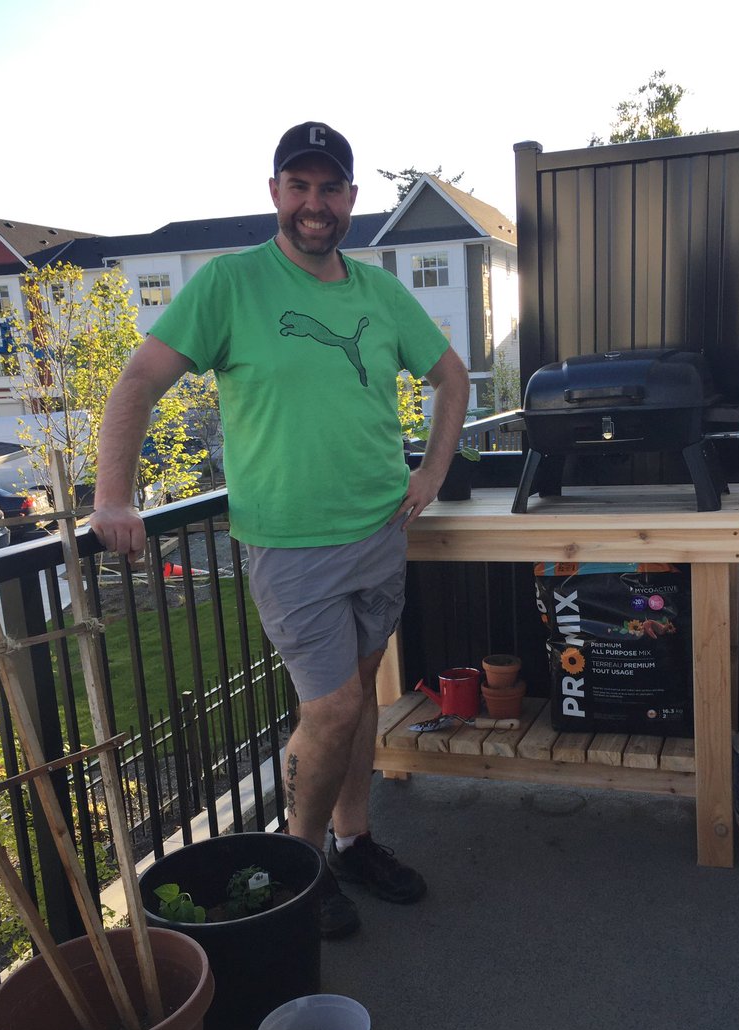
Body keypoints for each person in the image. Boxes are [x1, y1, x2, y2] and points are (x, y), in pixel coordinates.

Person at [89, 121, 471, 939]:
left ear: (351, 201)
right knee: (329, 707)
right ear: (274, 195)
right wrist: (114, 495)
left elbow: (450, 376)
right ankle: (300, 865)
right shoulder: (231, 284)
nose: (314, 203)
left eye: (329, 188)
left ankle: (354, 837)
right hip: (291, 544)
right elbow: (138, 381)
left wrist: (433, 472)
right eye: (298, 186)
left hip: (379, 526)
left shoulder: (376, 292)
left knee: (361, 696)